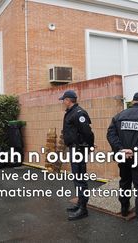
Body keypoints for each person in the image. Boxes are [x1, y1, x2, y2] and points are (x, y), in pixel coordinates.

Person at [106, 92, 138, 240]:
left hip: (123, 157)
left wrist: (121, 149)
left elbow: (110, 135)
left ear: (132, 102)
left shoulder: (119, 116)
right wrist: (135, 150)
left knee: (125, 182)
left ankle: (124, 208)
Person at [59, 90, 95, 221]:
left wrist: (90, 146)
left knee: (80, 179)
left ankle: (83, 209)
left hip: (79, 149)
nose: (63, 102)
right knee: (77, 178)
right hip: (74, 149)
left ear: (68, 100)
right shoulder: (71, 112)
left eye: (64, 99)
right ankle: (80, 204)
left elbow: (88, 133)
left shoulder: (79, 113)